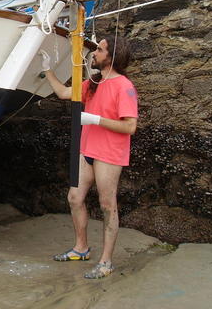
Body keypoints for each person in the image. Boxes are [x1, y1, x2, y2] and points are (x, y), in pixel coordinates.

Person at [40, 35, 138, 279]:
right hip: (87, 151)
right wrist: (47, 70)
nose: (94, 53)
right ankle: (81, 248)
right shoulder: (92, 82)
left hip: (109, 154)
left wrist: (95, 120)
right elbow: (64, 93)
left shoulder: (124, 86)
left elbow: (130, 127)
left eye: (100, 50)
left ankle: (106, 262)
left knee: (107, 205)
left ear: (112, 56)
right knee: (74, 197)